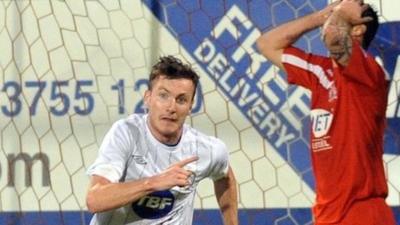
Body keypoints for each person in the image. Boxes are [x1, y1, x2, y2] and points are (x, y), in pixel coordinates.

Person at [257, 0, 395, 224]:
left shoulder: (368, 72)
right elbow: (267, 44)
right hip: (327, 215)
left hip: (362, 214)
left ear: (359, 28)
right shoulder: (319, 72)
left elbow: (335, 39)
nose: (334, 13)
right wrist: (320, 16)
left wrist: (341, 15)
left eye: (339, 12)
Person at [86, 56, 238, 225]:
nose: (171, 107)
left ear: (190, 106)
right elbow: (95, 199)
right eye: (163, 96)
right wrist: (153, 183)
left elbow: (225, 176)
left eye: (181, 100)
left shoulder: (205, 149)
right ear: (148, 98)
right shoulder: (127, 133)